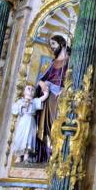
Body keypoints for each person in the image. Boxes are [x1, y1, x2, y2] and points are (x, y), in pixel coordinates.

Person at [35, 34, 70, 163]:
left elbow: (70, 79)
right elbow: (41, 79)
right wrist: (41, 83)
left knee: (56, 122)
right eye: (50, 45)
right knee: (46, 123)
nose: (52, 47)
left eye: (54, 44)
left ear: (61, 44)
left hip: (60, 96)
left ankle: (56, 150)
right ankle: (48, 151)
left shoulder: (69, 60)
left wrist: (64, 89)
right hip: (48, 96)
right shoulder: (53, 63)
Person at [12, 83, 49, 163]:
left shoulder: (34, 101)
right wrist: (22, 106)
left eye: (32, 90)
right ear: (24, 91)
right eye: (28, 89)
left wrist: (46, 91)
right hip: (23, 121)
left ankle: (26, 156)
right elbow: (14, 109)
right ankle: (19, 156)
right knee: (20, 137)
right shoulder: (20, 101)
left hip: (31, 121)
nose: (30, 91)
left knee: (29, 138)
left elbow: (43, 98)